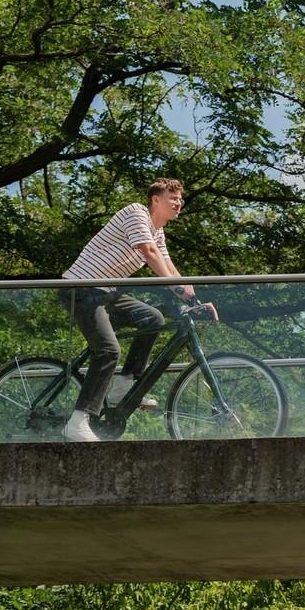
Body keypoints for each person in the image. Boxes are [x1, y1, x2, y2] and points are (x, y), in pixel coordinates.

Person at [60, 178, 196, 442]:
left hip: (107, 293)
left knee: (152, 318)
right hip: (82, 290)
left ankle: (124, 385)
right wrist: (177, 288)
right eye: (173, 197)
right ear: (156, 199)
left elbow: (169, 266)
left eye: (180, 198)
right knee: (109, 350)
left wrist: (193, 297)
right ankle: (78, 420)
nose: (179, 203)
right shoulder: (136, 212)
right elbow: (148, 253)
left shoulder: (158, 231)